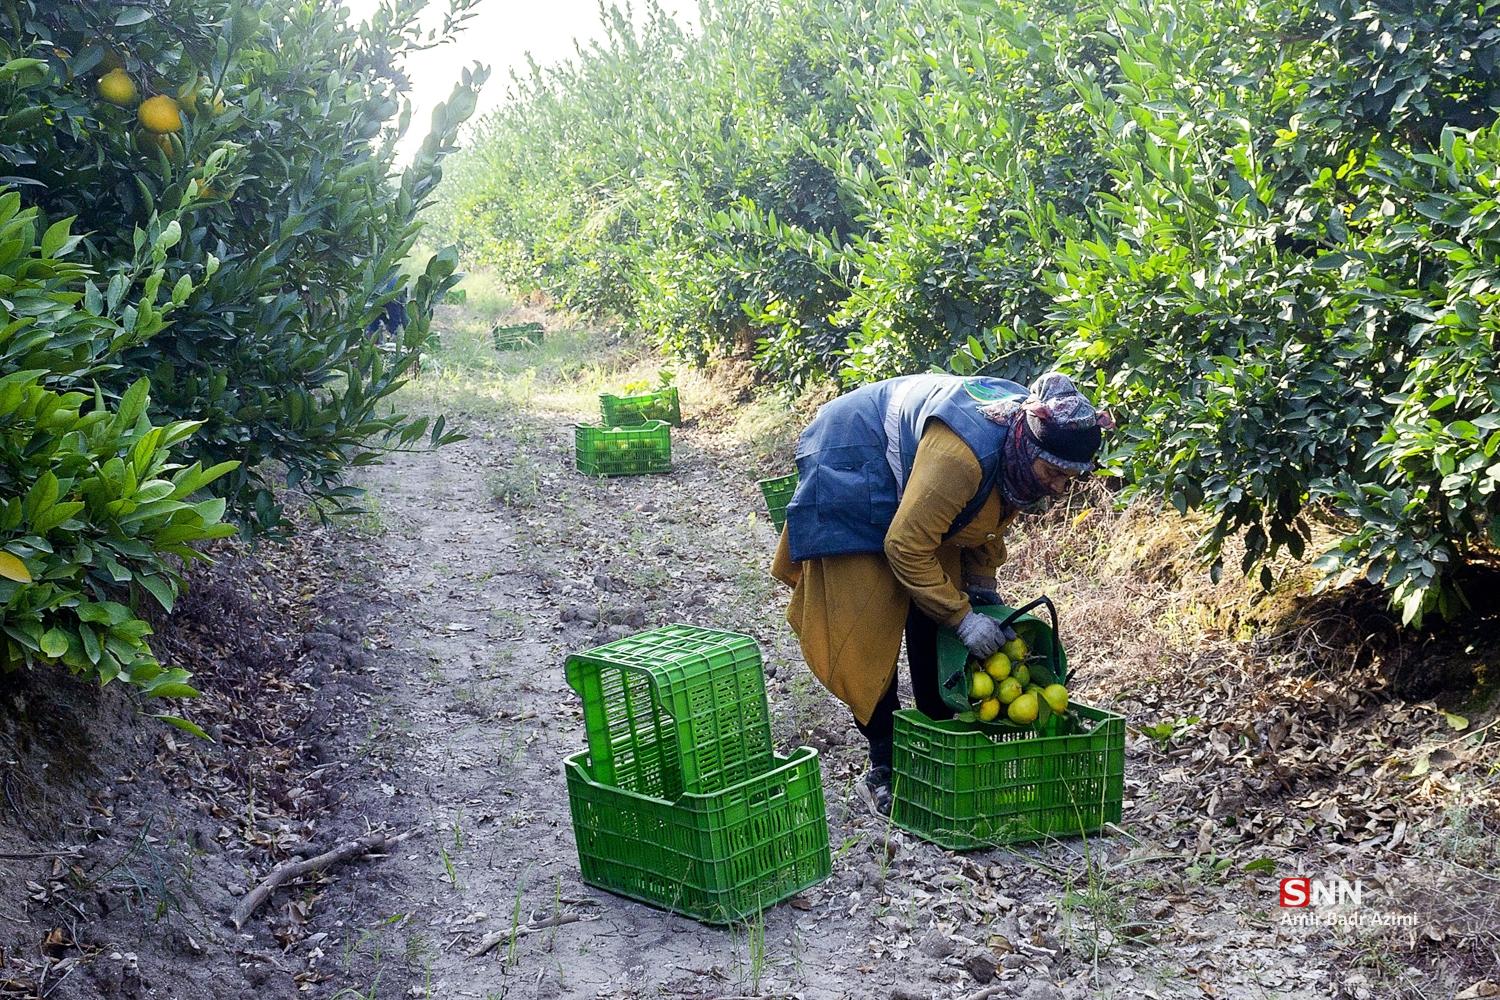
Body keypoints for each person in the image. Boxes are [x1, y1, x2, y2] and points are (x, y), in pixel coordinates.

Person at [771, 371, 1112, 815]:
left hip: (916, 479)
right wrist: (962, 617)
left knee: (937, 601)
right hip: (854, 458)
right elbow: (906, 545)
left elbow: (984, 520)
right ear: (1029, 448)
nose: (1059, 487)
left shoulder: (1017, 453)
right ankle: (885, 764)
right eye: (1053, 473)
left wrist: (981, 591)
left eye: (1070, 479)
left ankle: (935, 730)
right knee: (864, 629)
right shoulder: (962, 457)